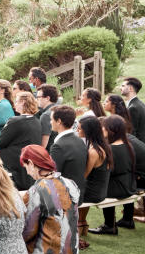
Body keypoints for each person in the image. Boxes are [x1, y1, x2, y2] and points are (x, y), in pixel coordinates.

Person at [90, 115, 136, 235]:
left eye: (104, 128)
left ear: (111, 130)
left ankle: (109, 225)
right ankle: (127, 219)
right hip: (130, 185)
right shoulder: (128, 144)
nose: (102, 130)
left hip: (119, 187)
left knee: (100, 185)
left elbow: (106, 173)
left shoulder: (110, 149)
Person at [76, 115, 110, 246]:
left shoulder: (94, 151)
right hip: (100, 189)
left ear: (87, 131)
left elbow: (84, 175)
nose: (77, 131)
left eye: (79, 129)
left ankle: (75, 227)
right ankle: (82, 223)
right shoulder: (102, 145)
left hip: (94, 193)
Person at [0, 91, 42, 190]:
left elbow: (0, 143)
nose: (14, 104)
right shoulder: (37, 122)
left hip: (15, 168)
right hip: (31, 168)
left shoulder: (15, 121)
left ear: (23, 102)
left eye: (16, 101)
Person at [48, 105, 87, 201]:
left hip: (65, 197)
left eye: (51, 119)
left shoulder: (59, 146)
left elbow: (53, 173)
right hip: (78, 193)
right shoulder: (79, 140)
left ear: (59, 121)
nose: (50, 122)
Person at [120, 76, 145, 141]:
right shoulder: (139, 103)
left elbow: (132, 133)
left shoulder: (133, 108)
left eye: (123, 86)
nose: (120, 88)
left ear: (130, 88)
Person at [35, 84, 60, 148]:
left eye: (38, 97)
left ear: (47, 98)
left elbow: (43, 145)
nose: (36, 99)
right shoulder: (59, 109)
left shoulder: (46, 115)